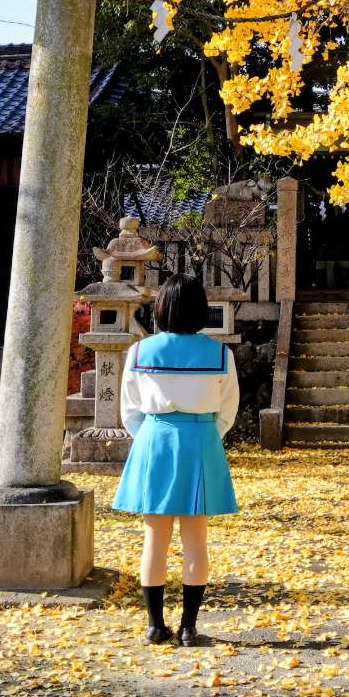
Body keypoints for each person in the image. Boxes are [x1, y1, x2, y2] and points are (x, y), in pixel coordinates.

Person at [112, 273, 239, 646]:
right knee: (196, 539)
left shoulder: (139, 352)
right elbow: (228, 410)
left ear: (161, 308)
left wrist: (153, 435)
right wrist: (202, 435)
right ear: (201, 309)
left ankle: (154, 625)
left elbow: (129, 410)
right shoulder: (219, 354)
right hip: (200, 438)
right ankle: (188, 628)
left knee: (155, 538)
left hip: (154, 438)